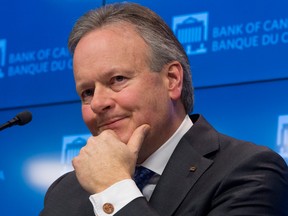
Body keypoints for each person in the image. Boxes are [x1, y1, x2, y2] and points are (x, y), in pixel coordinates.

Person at [40, 2, 288, 216]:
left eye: (117, 79)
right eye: (87, 92)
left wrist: (114, 189)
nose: (97, 103)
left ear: (172, 80)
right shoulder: (65, 191)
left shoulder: (249, 171)